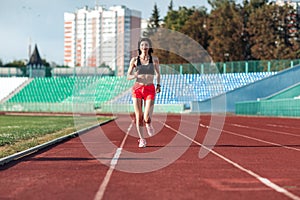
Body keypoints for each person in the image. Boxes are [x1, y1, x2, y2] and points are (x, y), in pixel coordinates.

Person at [127, 37, 161, 148]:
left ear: (149, 47)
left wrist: (158, 85)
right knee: (139, 116)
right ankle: (142, 139)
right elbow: (128, 76)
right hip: (137, 88)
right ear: (140, 47)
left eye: (146, 45)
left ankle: (149, 123)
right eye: (142, 45)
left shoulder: (154, 59)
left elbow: (158, 74)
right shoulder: (134, 60)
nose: (144, 47)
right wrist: (136, 75)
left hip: (150, 88)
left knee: (146, 117)